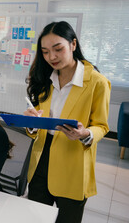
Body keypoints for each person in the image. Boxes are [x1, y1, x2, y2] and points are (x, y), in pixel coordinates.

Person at [24, 21, 111, 223]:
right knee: (36, 218)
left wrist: (85, 134)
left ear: (73, 44)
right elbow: (38, 125)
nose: (51, 57)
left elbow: (102, 126)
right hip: (40, 161)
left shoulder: (97, 82)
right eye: (45, 52)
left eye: (58, 49)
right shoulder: (44, 78)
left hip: (73, 161)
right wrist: (32, 124)